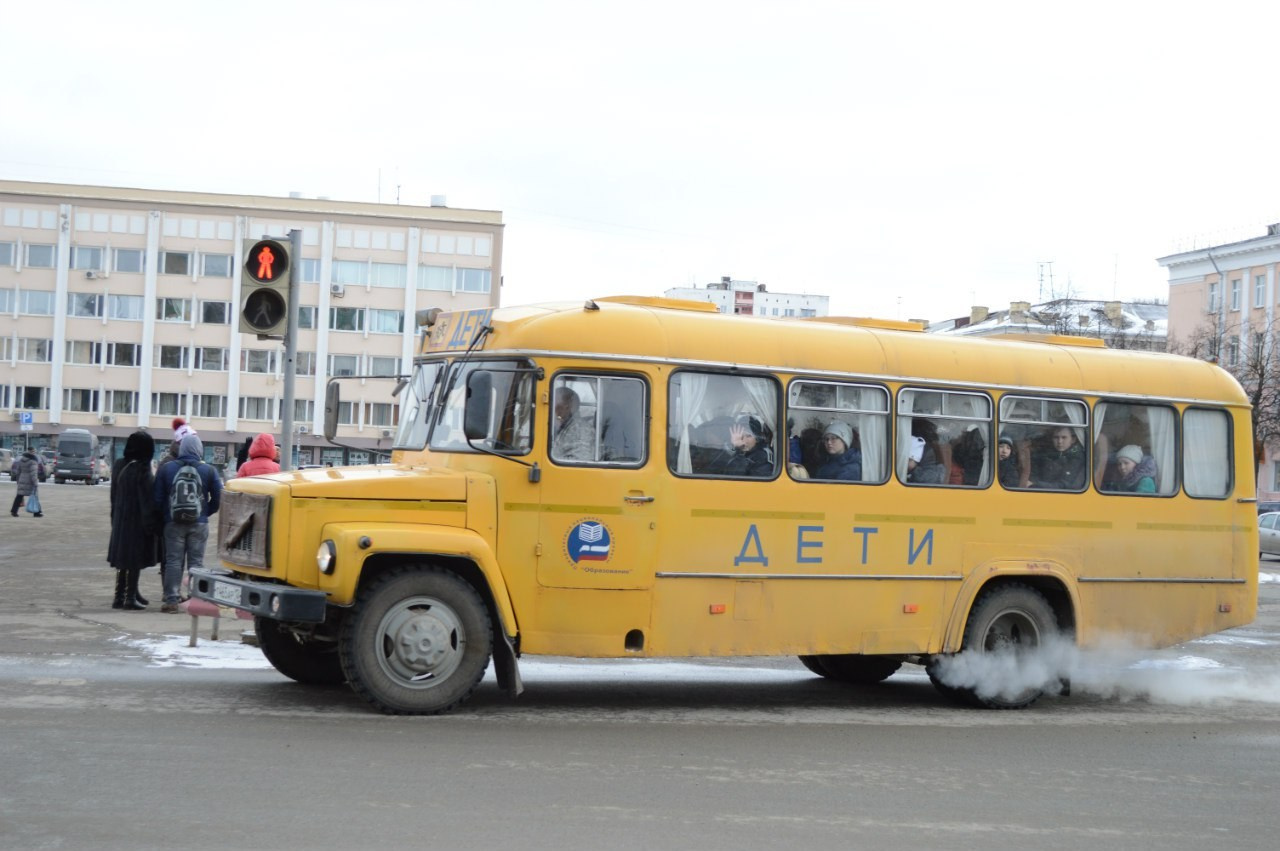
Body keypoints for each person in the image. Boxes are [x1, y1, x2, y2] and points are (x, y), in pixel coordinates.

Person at [154, 433, 222, 613]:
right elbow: (219, 497)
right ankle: (196, 598)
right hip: (199, 523)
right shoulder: (209, 470)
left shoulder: (166, 469)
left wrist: (166, 515)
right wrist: (205, 512)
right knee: (196, 563)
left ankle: (171, 600)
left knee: (173, 561)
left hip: (173, 522)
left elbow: (158, 498)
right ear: (199, 450)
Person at [108, 431, 161, 610]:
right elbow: (147, 499)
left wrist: (114, 516)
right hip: (136, 521)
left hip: (120, 519)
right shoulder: (142, 468)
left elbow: (113, 495)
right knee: (135, 559)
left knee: (123, 559)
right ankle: (130, 598)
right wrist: (152, 525)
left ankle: (119, 596)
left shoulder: (118, 465)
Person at [705, 414, 774, 477]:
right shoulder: (734, 450)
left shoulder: (762, 457)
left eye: (748, 436)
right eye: (740, 436)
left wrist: (739, 452)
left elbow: (735, 478)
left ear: (757, 438)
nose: (744, 440)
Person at [1032, 426, 1087, 490]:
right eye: (1056, 437)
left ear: (1073, 440)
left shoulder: (1077, 459)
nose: (1060, 441)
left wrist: (1036, 484)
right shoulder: (1045, 455)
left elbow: (1066, 485)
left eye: (1064, 437)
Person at [552, 387, 595, 460]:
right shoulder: (566, 425)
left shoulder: (580, 430)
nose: (553, 408)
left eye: (556, 405)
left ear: (567, 407)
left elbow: (579, 461)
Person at [9, 449, 43, 517]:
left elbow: (18, 471)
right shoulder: (33, 461)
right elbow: (33, 473)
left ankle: (14, 511)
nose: (34, 453)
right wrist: (35, 482)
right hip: (30, 481)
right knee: (35, 496)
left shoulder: (21, 460)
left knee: (19, 496)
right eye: (33, 452)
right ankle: (37, 512)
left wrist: (18, 480)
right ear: (32, 453)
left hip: (22, 479)